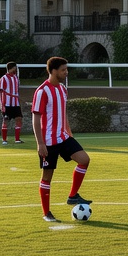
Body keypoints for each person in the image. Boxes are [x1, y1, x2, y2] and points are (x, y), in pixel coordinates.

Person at [32, 56, 91, 222]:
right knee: (47, 177)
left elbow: (63, 112)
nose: (66, 72)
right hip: (48, 141)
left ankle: (72, 195)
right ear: (53, 71)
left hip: (63, 137)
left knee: (84, 160)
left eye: (66, 69)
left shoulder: (63, 89)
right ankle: (47, 213)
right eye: (63, 70)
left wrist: (69, 132)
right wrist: (40, 143)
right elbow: (36, 118)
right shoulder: (42, 91)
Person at [0, 61, 23, 144]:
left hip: (16, 104)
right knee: (6, 121)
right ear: (11, 68)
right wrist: (2, 104)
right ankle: (4, 140)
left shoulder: (16, 78)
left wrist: (19, 100)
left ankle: (17, 139)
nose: (16, 69)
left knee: (19, 119)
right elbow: (0, 91)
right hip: (7, 104)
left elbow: (17, 91)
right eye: (15, 67)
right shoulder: (3, 78)